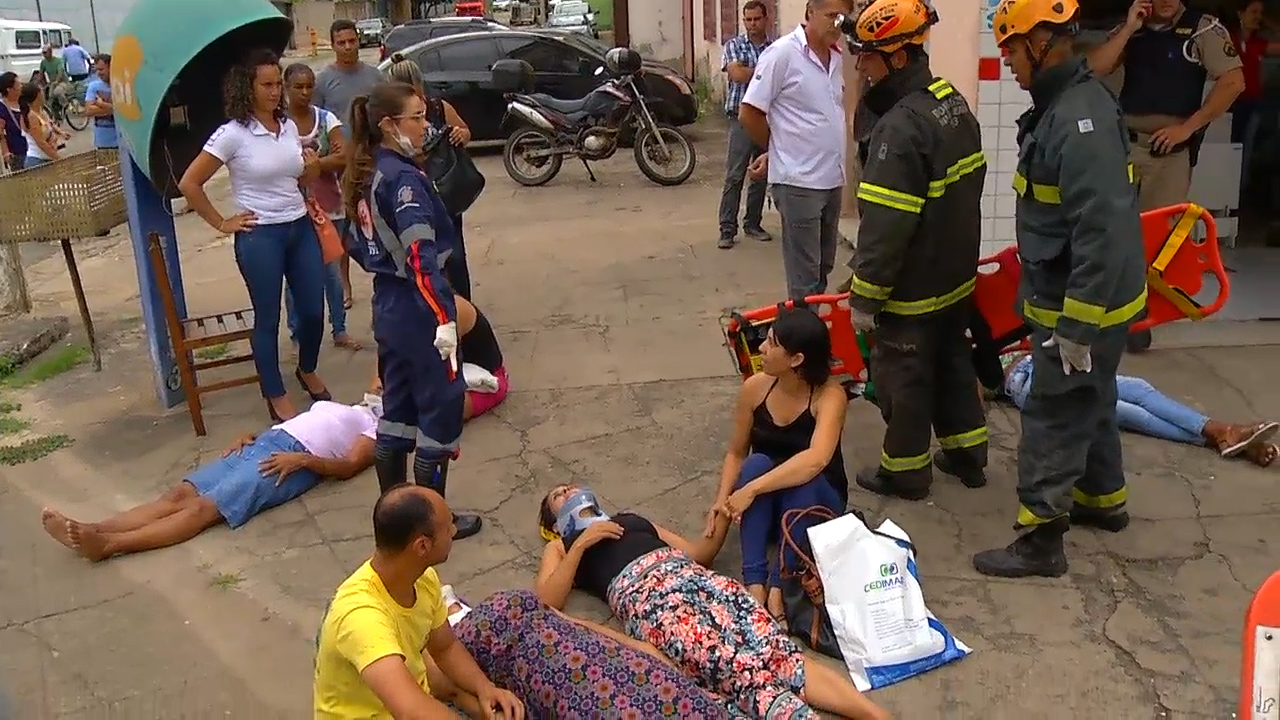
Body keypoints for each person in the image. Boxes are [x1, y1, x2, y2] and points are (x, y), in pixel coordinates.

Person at [974, 0, 1149, 579]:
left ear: (1044, 40)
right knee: (1091, 399)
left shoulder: (1079, 119)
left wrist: (1075, 330)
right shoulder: (1066, 104)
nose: (1007, 60)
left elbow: (1101, 233)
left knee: (1054, 409)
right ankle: (1104, 502)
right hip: (1083, 295)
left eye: (1012, 47)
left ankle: (1040, 539)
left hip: (1084, 305)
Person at [534, 485, 890, 720]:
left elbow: (697, 554)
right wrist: (581, 544)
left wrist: (721, 515)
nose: (568, 490)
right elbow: (547, 601)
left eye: (569, 485)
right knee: (734, 668)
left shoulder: (630, 519)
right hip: (654, 599)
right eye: (558, 495)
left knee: (775, 651)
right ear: (555, 521)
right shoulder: (563, 548)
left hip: (699, 581)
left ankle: (874, 715)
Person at [841, 0, 991, 501]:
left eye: (868, 56)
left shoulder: (899, 130)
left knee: (903, 378)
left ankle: (905, 472)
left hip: (913, 289)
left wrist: (864, 297)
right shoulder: (950, 101)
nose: (860, 65)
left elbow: (886, 227)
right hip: (955, 277)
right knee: (952, 362)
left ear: (899, 58)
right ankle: (969, 456)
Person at [342, 81, 483, 540]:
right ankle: (432, 520)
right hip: (418, 304)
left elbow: (354, 244)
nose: (426, 126)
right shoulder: (402, 180)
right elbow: (421, 255)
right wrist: (443, 316)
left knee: (397, 412)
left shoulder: (367, 171)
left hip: (388, 303)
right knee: (440, 410)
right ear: (389, 125)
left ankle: (393, 513)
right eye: (417, 118)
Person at [178, 49, 331, 423]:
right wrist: (221, 222)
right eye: (266, 84)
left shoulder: (289, 127)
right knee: (268, 317)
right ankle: (275, 393)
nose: (275, 91)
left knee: (313, 311)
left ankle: (306, 368)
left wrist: (311, 170)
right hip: (261, 236)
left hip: (298, 227)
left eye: (278, 83)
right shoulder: (232, 135)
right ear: (247, 88)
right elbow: (190, 183)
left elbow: (296, 179)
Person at [39, 397, 380, 562]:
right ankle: (95, 529)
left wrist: (302, 460)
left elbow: (349, 465)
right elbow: (297, 423)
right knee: (178, 494)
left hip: (291, 461)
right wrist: (252, 435)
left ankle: (110, 546)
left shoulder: (379, 428)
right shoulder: (350, 405)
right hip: (267, 442)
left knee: (203, 508)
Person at [1086, 0, 1243, 353]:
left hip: (1166, 155)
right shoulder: (1132, 29)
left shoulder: (1202, 29)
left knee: (1156, 240)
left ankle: (1139, 320)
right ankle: (1107, 313)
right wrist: (1127, 28)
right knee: (1110, 230)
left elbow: (1233, 82)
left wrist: (1188, 127)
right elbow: (1092, 69)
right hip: (1122, 145)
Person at [313, 485, 525, 719]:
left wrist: (485, 688)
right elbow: (411, 710)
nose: (454, 530)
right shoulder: (360, 616)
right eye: (448, 527)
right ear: (422, 545)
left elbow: (445, 647)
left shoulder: (424, 578)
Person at [709, 308, 847, 621]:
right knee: (757, 462)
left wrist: (751, 490)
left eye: (771, 344)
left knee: (804, 479)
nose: (761, 349)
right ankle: (755, 582)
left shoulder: (829, 396)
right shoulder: (755, 388)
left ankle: (779, 585)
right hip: (770, 504)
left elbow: (815, 460)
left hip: (816, 502)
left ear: (796, 360)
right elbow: (736, 453)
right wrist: (723, 501)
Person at [425, 589, 747, 717]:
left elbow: (571, 622)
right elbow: (453, 689)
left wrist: (642, 651)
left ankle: (450, 607)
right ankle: (448, 610)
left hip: (599, 662)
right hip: (571, 682)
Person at [739, 0, 854, 300]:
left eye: (843, 18)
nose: (838, 24)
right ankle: (802, 336)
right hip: (798, 182)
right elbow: (750, 112)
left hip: (832, 178)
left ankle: (809, 330)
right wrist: (776, 149)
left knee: (824, 266)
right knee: (804, 273)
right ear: (809, 13)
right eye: (832, 16)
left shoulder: (836, 56)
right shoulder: (782, 54)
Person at [997, 350, 1280, 467]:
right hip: (1027, 383)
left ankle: (1224, 436)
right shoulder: (960, 355)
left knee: (1141, 389)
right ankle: (1224, 433)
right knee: (1130, 412)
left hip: (1053, 362)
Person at [281, 63, 362, 351]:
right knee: (293, 277)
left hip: (328, 206)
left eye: (309, 86)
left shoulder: (326, 120)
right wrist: (316, 163)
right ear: (286, 88)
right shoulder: (278, 124)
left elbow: (344, 157)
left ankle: (339, 328)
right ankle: (297, 332)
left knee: (332, 272)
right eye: (298, 87)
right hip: (290, 210)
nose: (305, 92)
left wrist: (311, 165)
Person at [385, 54, 476, 300]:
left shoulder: (438, 107)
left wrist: (460, 135)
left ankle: (462, 304)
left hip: (445, 191)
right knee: (422, 253)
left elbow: (466, 131)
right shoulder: (392, 119)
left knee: (454, 253)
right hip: (412, 193)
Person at [315, 18, 385, 309]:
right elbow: (317, 121)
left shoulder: (375, 77)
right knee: (342, 230)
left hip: (372, 161)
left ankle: (385, 280)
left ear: (359, 40)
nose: (347, 47)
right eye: (340, 42)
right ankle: (344, 285)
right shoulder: (323, 80)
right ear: (332, 45)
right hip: (340, 169)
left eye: (351, 41)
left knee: (378, 223)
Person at [369, 296, 510, 421]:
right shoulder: (393, 313)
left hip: (481, 380)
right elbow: (386, 354)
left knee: (440, 412)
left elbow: (443, 373)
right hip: (430, 372)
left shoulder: (453, 311)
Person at [717, 0, 774, 250]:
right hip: (740, 117)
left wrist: (751, 71)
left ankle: (753, 223)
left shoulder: (775, 48)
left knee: (761, 174)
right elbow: (736, 75)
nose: (752, 24)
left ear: (766, 19)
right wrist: (765, 74)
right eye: (748, 20)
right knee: (735, 175)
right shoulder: (734, 45)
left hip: (767, 118)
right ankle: (727, 229)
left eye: (756, 19)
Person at [1227, 0, 1280, 182]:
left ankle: (1238, 192)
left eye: (1261, 12)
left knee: (1244, 149)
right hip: (1228, 106)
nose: (1257, 16)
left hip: (1251, 105)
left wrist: (1269, 22)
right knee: (1226, 148)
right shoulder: (1227, 39)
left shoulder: (1259, 43)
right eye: (1254, 11)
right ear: (1240, 14)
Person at [19, 83, 63, 168]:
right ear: (38, 95)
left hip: (47, 158)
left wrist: (60, 133)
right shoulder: (31, 116)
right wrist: (58, 158)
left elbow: (50, 124)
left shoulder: (41, 112)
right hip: (37, 160)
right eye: (42, 92)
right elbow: (40, 142)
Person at [83, 54, 117, 150]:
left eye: (101, 69)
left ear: (111, 67)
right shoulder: (94, 86)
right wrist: (113, 109)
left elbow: (123, 110)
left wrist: (101, 104)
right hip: (103, 141)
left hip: (122, 141)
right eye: (96, 69)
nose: (98, 73)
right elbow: (88, 111)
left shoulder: (120, 86)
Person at [0, 72, 28, 170]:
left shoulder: (24, 101)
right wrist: (6, 152)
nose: (21, 86)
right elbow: (1, 134)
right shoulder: (2, 108)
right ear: (9, 89)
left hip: (35, 149)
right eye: (18, 84)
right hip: (18, 153)